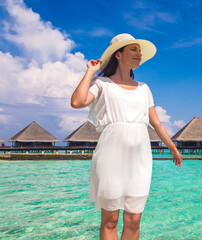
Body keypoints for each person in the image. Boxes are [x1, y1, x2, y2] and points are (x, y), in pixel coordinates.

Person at [70, 33, 183, 240]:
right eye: (133, 49)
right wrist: (90, 72)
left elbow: (156, 123)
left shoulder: (144, 88)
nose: (139, 54)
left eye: (139, 51)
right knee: (110, 220)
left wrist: (173, 148)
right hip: (110, 156)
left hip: (139, 158)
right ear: (118, 55)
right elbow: (77, 102)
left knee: (133, 220)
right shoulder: (102, 83)